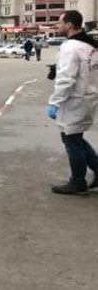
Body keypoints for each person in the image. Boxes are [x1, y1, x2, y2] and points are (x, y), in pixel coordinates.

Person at [47, 10, 98, 195]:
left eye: (60, 23)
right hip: (88, 97)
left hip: (75, 100)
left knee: (71, 140)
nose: (57, 26)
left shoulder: (71, 47)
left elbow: (66, 79)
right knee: (74, 137)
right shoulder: (90, 46)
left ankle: (78, 182)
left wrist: (55, 102)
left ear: (69, 25)